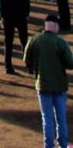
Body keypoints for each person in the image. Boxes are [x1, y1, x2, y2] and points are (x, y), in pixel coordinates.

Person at [24, 13, 72, 148]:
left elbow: (26, 59)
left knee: (47, 119)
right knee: (61, 119)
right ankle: (63, 145)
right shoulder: (60, 42)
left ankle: (48, 146)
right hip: (59, 85)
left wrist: (34, 68)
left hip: (42, 84)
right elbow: (70, 63)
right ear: (55, 26)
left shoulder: (34, 40)